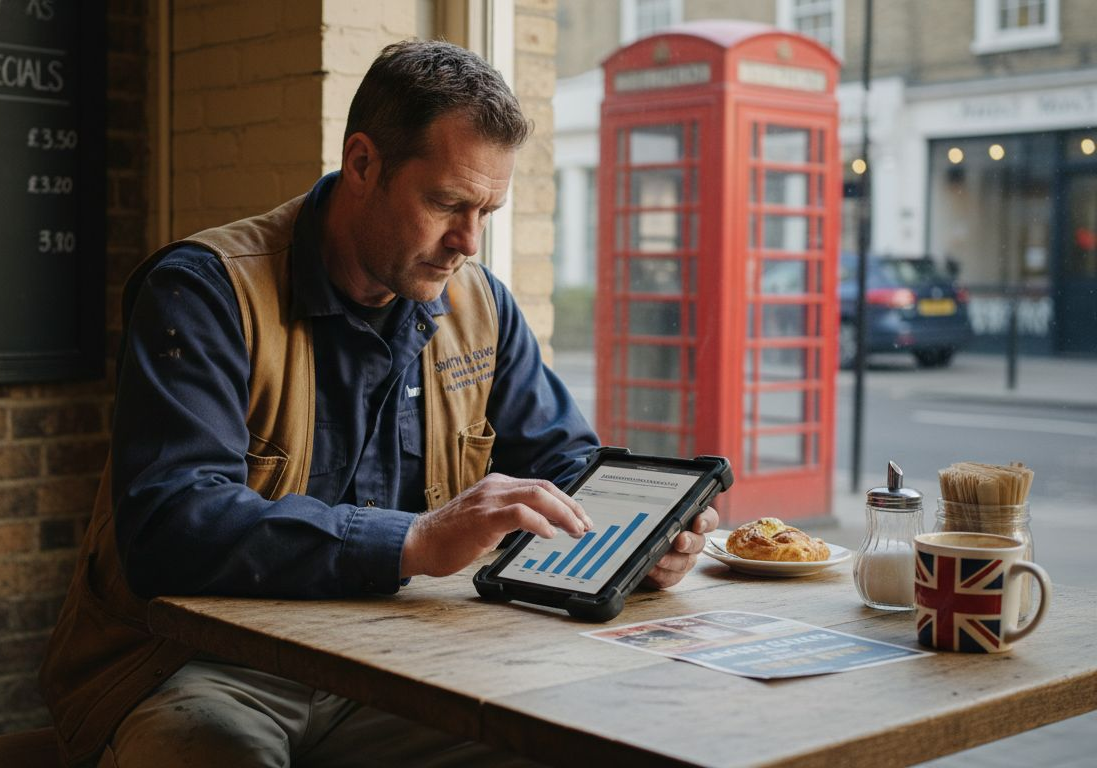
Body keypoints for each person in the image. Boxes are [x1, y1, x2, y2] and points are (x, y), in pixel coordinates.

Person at [39, 39, 719, 768]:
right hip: (196, 669)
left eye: (487, 210)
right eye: (448, 203)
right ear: (363, 164)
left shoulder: (481, 306)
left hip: (410, 664)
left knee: (588, 746)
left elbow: (565, 467)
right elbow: (172, 527)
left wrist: (642, 541)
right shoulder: (203, 292)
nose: (468, 242)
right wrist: (414, 541)